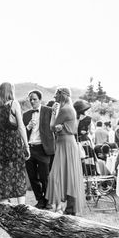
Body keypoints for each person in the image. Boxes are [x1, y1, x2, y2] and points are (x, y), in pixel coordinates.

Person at [46, 87, 85, 215]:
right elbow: (56, 128)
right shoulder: (68, 108)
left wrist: (53, 113)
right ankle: (68, 207)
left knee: (57, 175)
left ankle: (66, 207)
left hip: (66, 144)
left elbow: (52, 126)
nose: (54, 98)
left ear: (62, 95)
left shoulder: (65, 109)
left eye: (56, 95)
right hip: (64, 143)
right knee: (68, 175)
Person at [0, 83, 29, 205]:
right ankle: (21, 206)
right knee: (18, 172)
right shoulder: (14, 104)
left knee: (3, 173)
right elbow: (21, 126)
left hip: (0, 144)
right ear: (11, 91)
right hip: (14, 142)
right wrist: (26, 145)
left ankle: (5, 204)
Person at [23, 90, 55, 209]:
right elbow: (21, 133)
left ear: (40, 99)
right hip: (29, 148)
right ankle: (40, 200)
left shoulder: (49, 111)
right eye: (30, 99)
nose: (32, 101)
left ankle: (48, 201)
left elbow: (54, 128)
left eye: (34, 99)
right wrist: (28, 127)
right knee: (32, 177)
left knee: (45, 177)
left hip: (43, 148)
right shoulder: (25, 115)